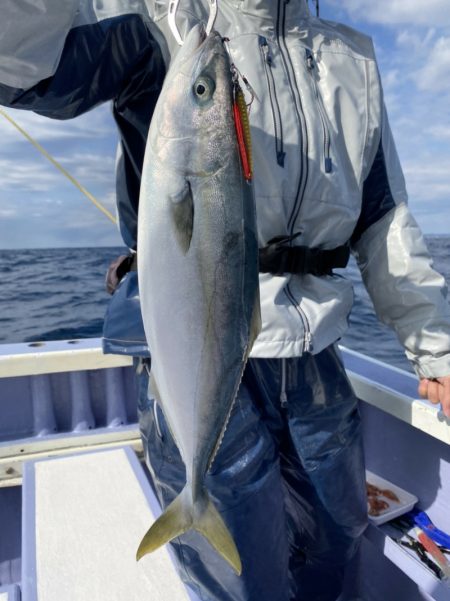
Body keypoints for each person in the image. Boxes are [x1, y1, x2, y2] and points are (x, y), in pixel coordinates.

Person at [1, 1, 450, 599]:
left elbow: (383, 219)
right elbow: (33, 64)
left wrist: (437, 346)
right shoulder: (165, 26)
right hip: (197, 346)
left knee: (338, 533)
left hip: (315, 351)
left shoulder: (355, 60)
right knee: (244, 573)